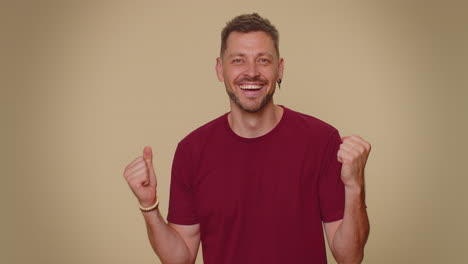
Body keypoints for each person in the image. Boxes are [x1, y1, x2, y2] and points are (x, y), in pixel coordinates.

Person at [123, 13, 371, 264]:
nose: (251, 72)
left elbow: (350, 257)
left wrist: (355, 186)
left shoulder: (322, 140)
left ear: (280, 68)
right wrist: (149, 206)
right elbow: (180, 258)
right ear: (221, 69)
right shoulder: (192, 151)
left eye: (263, 60)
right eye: (238, 61)